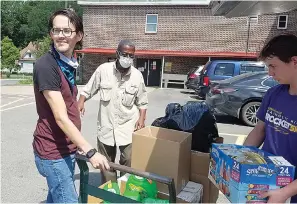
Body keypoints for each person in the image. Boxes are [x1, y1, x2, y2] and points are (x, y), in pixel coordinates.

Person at [33, 9, 109, 203]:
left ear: (79, 35)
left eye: (67, 31)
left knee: (55, 198)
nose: (60, 35)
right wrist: (89, 150)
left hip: (66, 148)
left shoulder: (67, 64)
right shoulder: (47, 66)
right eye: (56, 30)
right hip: (53, 151)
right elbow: (60, 116)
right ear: (51, 34)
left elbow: (67, 102)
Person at [78, 39, 148, 182]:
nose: (128, 58)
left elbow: (142, 101)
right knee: (106, 162)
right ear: (117, 53)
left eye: (131, 56)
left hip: (128, 126)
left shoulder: (137, 76)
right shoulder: (103, 70)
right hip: (106, 125)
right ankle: (110, 190)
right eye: (125, 54)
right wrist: (81, 102)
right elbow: (88, 89)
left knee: (129, 159)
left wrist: (142, 119)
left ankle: (124, 187)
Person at [243, 34, 297, 203]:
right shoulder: (273, 94)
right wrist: (240, 160)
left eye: (274, 66)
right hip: (265, 183)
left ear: (295, 61)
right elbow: (259, 130)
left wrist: (284, 193)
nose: (270, 72)